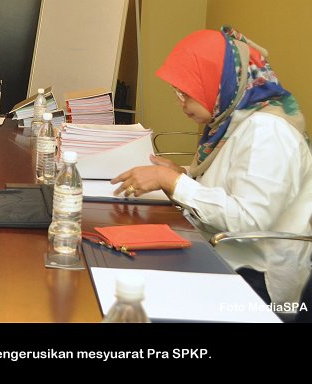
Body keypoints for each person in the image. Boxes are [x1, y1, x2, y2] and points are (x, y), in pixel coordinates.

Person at [111, 27, 312, 305]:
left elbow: (248, 220)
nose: (180, 103)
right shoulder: (234, 120)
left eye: (186, 92)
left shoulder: (269, 131)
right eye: (177, 92)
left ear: (220, 82)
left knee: (139, 290)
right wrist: (182, 175)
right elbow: (231, 184)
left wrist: (173, 182)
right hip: (223, 249)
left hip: (256, 272)